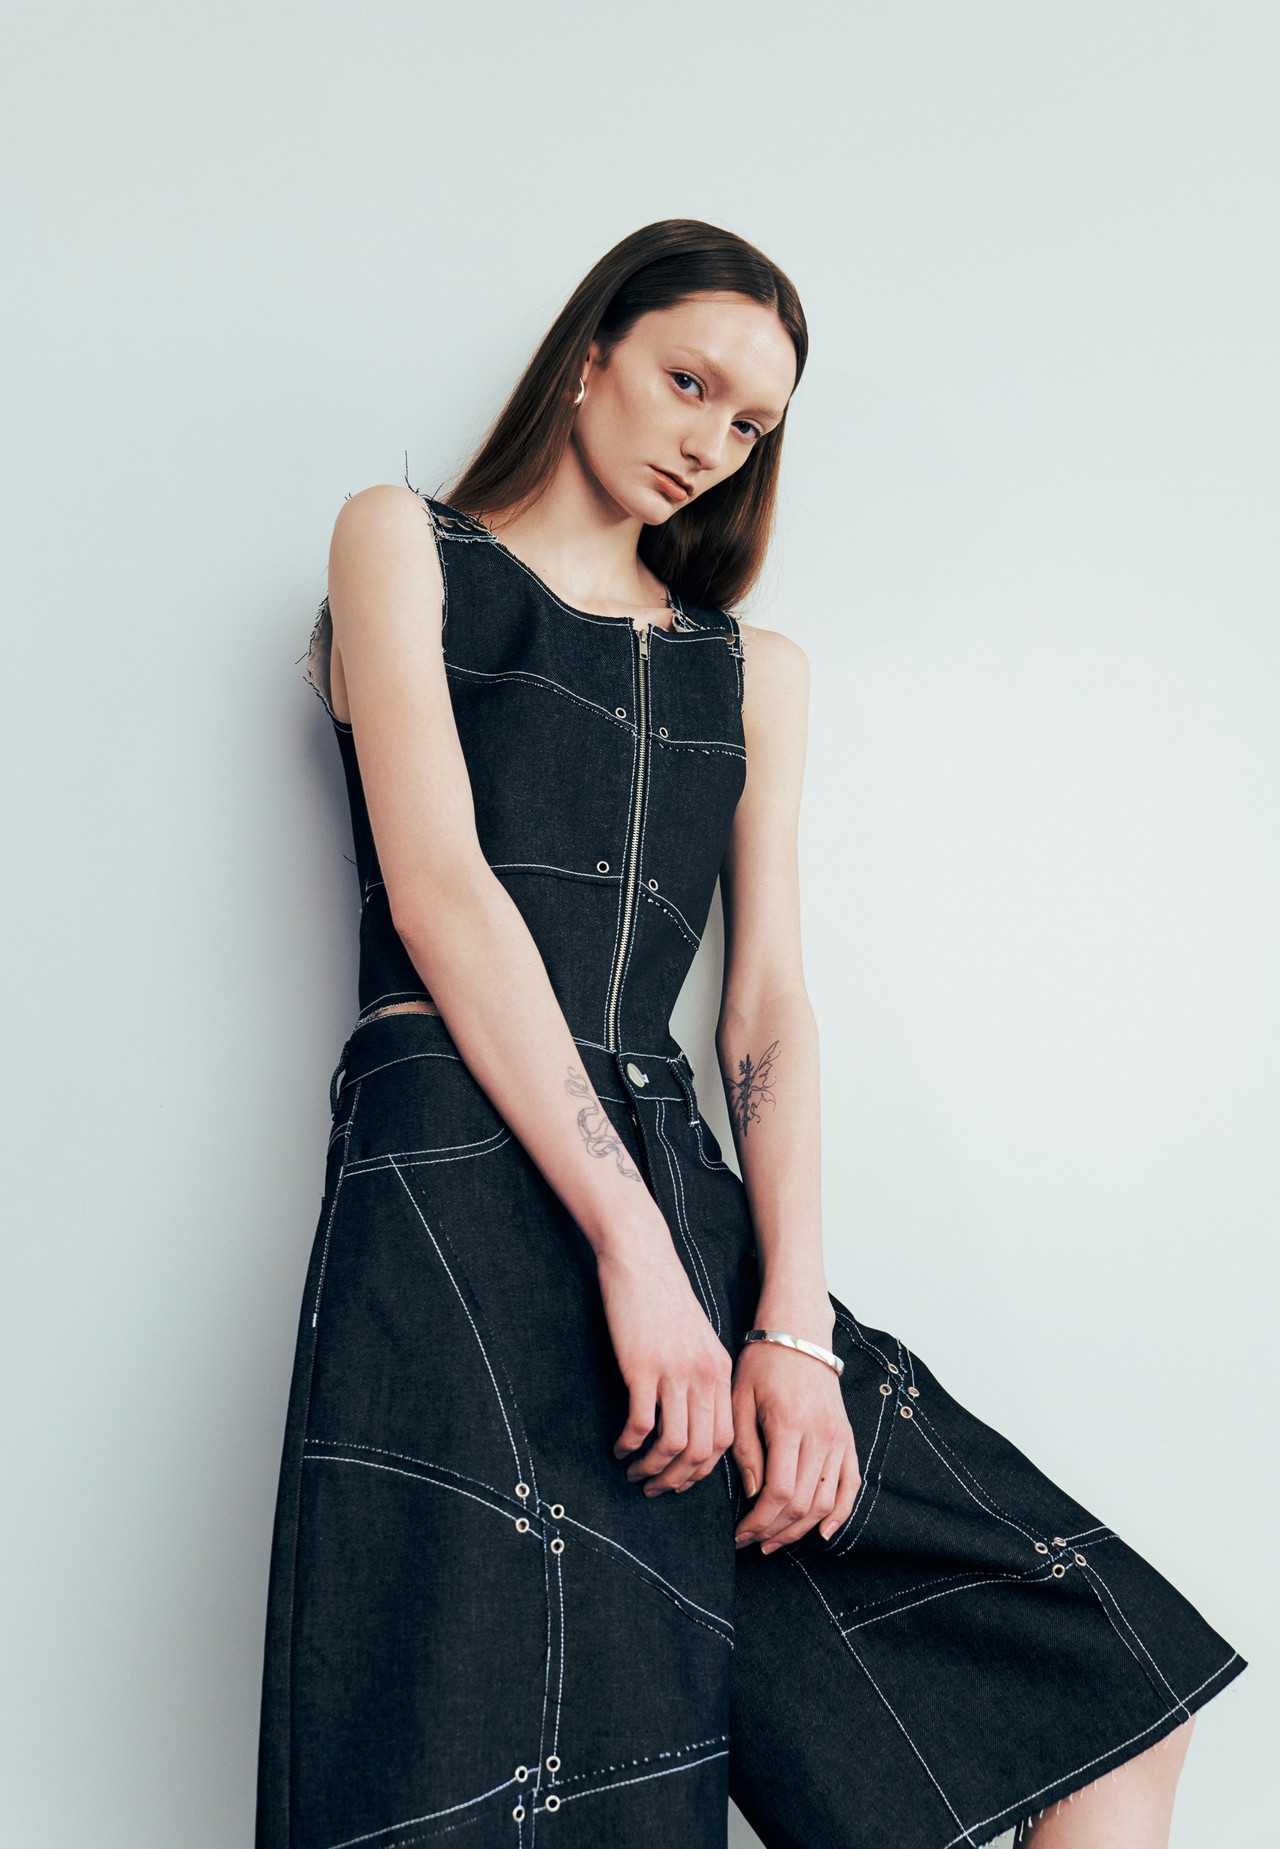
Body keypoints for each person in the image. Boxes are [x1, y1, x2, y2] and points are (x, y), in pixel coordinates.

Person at [256, 220, 1243, 1849]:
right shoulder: (400, 542)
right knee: (468, 1763)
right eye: (688, 381)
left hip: (681, 1210)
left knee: (1105, 1679)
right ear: (591, 353)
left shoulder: (753, 674)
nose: (711, 439)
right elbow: (442, 894)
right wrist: (634, 1257)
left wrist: (790, 1329)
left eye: (751, 422)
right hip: (454, 1195)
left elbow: (766, 1003)